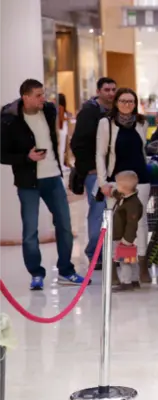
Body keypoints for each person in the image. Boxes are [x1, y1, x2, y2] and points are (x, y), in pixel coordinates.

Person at [0, 79, 89, 289]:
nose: (44, 99)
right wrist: (26, 157)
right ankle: (36, 274)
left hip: (53, 178)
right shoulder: (8, 120)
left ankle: (66, 270)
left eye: (43, 94)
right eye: (38, 95)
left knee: (65, 225)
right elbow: (2, 154)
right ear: (26, 97)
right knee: (30, 230)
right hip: (27, 182)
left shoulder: (48, 110)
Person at [97, 87, 152, 285]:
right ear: (116, 103)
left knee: (140, 224)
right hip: (116, 180)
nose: (127, 105)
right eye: (123, 101)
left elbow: (142, 149)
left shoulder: (142, 122)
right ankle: (113, 270)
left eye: (131, 101)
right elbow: (100, 154)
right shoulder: (106, 123)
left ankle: (141, 267)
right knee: (116, 226)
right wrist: (103, 182)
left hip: (140, 180)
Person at [71, 77, 117, 269]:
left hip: (113, 171)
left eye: (114, 89)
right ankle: (94, 254)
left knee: (111, 213)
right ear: (98, 91)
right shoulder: (89, 113)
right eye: (107, 89)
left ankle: (107, 252)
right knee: (98, 212)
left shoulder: (115, 112)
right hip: (94, 173)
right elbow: (77, 144)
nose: (111, 93)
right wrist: (91, 168)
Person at [110, 170, 143, 291]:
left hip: (122, 237)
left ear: (123, 187)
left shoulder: (133, 204)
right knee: (130, 259)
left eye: (117, 184)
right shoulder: (127, 196)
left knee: (124, 261)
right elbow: (118, 195)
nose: (116, 186)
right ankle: (134, 280)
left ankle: (126, 282)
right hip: (121, 236)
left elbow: (132, 224)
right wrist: (112, 191)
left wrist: (127, 240)